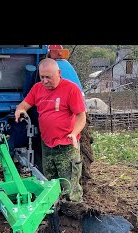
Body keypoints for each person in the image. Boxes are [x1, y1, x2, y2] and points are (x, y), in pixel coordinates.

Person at [14, 58, 86, 203]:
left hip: (66, 147)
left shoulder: (71, 89)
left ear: (59, 73)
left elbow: (81, 116)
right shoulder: (37, 88)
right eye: (42, 77)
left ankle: (73, 218)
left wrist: (73, 133)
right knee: (50, 184)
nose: (45, 81)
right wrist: (20, 110)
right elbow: (24, 105)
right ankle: (56, 215)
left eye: (49, 77)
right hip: (47, 146)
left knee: (69, 187)